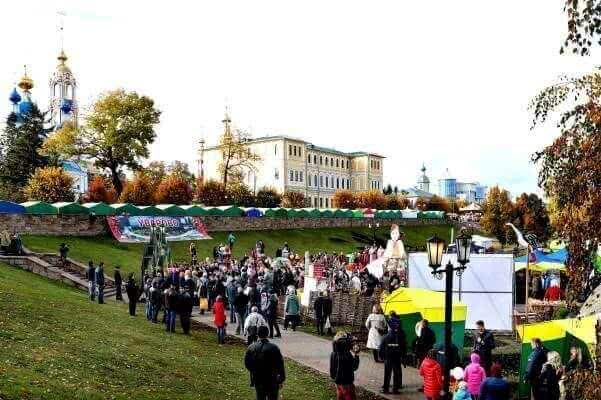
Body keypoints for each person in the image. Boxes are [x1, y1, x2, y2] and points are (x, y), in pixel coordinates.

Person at [245, 325, 286, 400]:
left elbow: (247, 364)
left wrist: (254, 372)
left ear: (257, 334)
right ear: (267, 334)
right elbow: (280, 364)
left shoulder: (251, 347)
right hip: (272, 379)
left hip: (258, 378)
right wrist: (281, 379)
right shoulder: (274, 348)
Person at [330, 332, 360, 400]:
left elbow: (332, 367)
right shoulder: (347, 355)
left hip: (337, 379)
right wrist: (356, 355)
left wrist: (333, 377)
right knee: (349, 396)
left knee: (340, 394)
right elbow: (354, 367)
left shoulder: (334, 353)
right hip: (346, 380)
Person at [378, 323, 407, 394]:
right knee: (396, 374)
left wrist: (382, 357)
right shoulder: (400, 338)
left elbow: (381, 348)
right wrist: (403, 358)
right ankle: (395, 389)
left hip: (388, 358)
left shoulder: (386, 337)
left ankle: (385, 389)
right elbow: (404, 349)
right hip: (397, 358)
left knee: (387, 374)